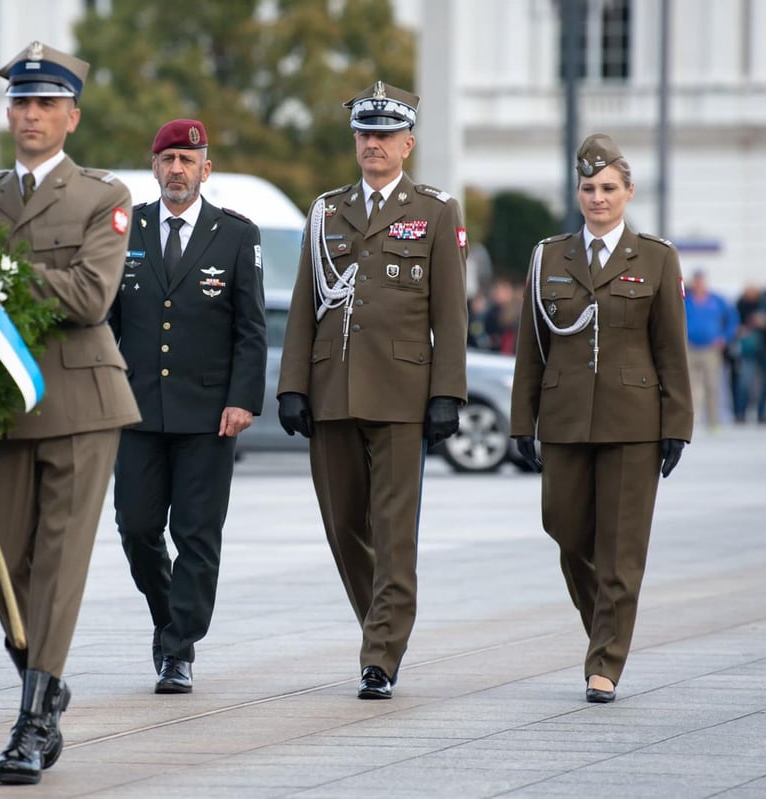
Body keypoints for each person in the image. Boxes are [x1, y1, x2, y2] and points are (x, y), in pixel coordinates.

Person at [0, 41, 140, 785]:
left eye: (45, 104)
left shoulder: (104, 197)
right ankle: (43, 675)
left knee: (61, 565)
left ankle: (35, 721)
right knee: (5, 565)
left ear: (71, 117)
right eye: (21, 103)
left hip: (80, 399)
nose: (31, 115)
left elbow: (90, 298)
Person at [276, 81, 469, 701]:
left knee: (393, 532)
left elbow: (450, 313)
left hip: (401, 392)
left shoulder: (435, 211)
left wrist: (448, 393)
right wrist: (293, 385)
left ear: (407, 144)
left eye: (385, 135)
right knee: (343, 527)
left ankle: (381, 653)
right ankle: (379, 628)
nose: (373, 144)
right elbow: (306, 304)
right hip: (332, 389)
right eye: (364, 134)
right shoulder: (326, 211)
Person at [510, 133, 694, 704]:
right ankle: (605, 628)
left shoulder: (657, 258)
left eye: (609, 188)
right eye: (589, 188)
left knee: (621, 547)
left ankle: (605, 662)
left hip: (634, 420)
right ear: (578, 192)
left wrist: (676, 424)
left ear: (629, 192)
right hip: (565, 417)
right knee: (564, 530)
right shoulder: (549, 256)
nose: (598, 198)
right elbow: (531, 347)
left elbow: (671, 348)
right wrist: (523, 420)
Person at [108, 119, 267, 694]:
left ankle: (178, 650)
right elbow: (109, 323)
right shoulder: (128, 228)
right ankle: (167, 615)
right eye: (168, 158)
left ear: (207, 168)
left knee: (198, 533)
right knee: (137, 526)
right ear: (154, 167)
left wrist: (243, 399)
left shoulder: (235, 234)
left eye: (188, 159)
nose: (177, 169)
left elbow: (250, 328)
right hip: (138, 410)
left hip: (208, 413)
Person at [683, 270, 736, 428]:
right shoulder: (686, 300)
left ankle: (713, 421)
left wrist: (724, 337)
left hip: (710, 349)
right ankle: (690, 421)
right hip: (690, 347)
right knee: (689, 386)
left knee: (712, 385)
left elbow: (732, 320)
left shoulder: (717, 300)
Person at [732, 283, 766, 423]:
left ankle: (761, 413)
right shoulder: (742, 304)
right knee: (745, 381)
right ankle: (740, 413)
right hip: (749, 349)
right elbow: (736, 324)